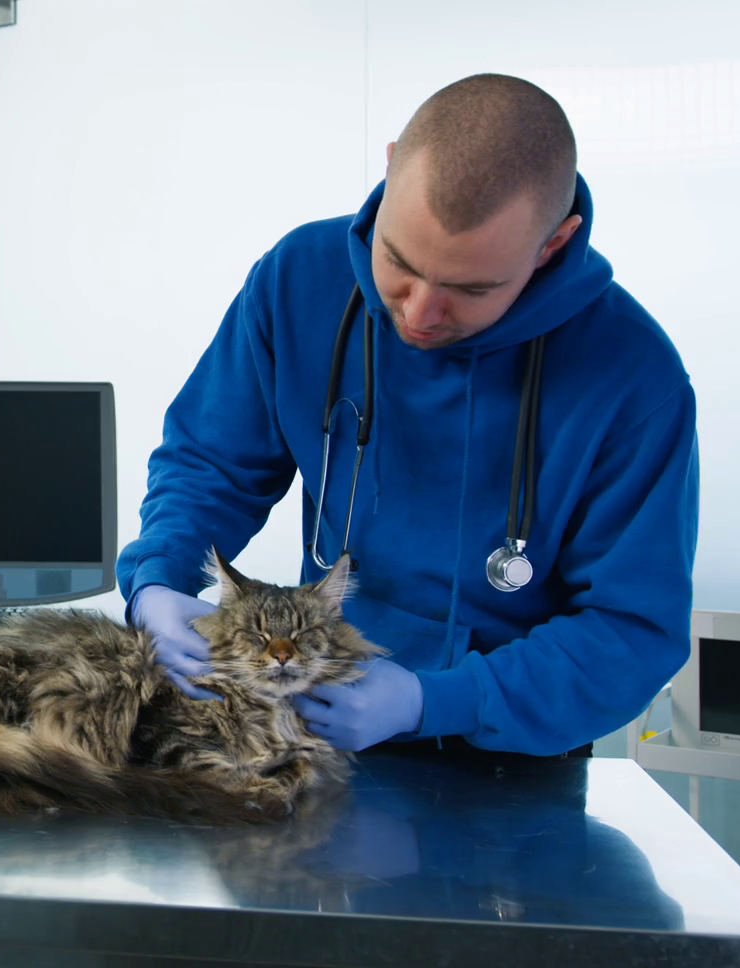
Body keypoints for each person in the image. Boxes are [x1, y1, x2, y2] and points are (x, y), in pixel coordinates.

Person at [119, 73, 698, 760]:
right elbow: (211, 462)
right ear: (390, 167)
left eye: (470, 288)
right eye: (398, 261)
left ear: (552, 245)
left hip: (508, 748)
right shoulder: (299, 278)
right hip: (320, 711)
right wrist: (158, 577)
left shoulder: (633, 377)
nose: (417, 314)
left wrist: (437, 701)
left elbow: (630, 631)